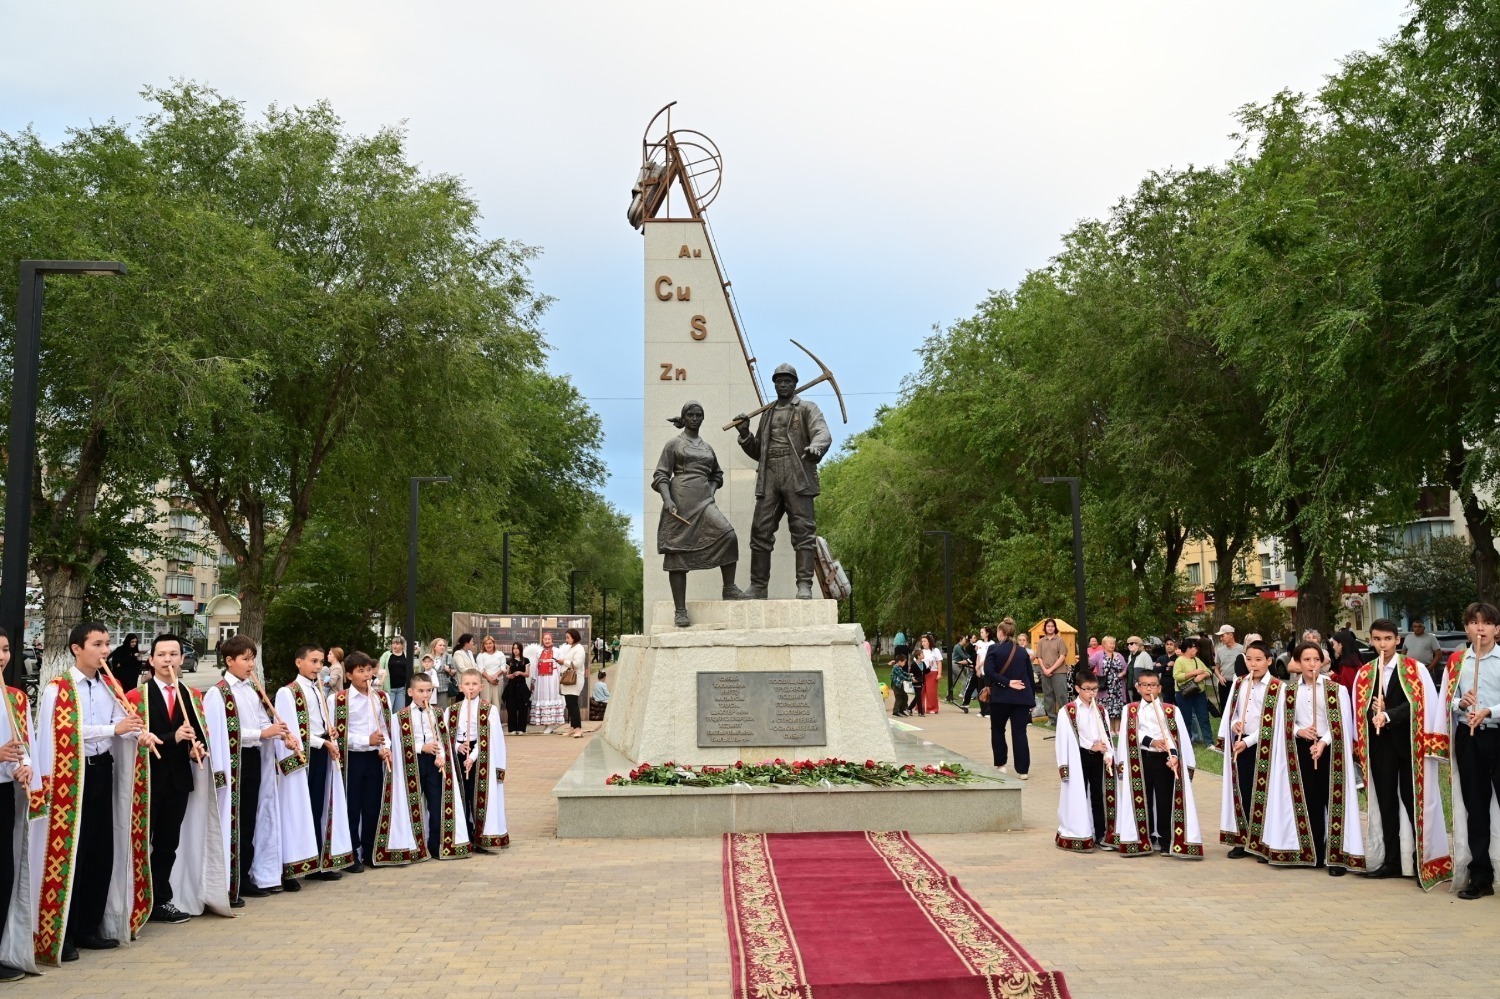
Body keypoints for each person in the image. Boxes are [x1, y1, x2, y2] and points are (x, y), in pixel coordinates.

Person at [30, 622, 156, 964]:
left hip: (103, 771)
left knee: (102, 849)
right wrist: (112, 728)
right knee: (76, 854)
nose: (105, 650)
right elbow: (63, 732)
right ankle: (64, 933)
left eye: (107, 644)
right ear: (76, 649)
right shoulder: (59, 688)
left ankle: (89, 926)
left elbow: (122, 725)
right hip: (72, 778)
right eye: (98, 644)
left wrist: (137, 734)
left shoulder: (110, 686)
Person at [1356, 618, 1450, 889]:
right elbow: (1358, 710)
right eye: (1377, 639)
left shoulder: (1414, 669)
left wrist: (1387, 713)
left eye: (1387, 639)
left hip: (1410, 744)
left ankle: (1422, 861)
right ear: (1372, 641)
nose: (1382, 644)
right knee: (1386, 802)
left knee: (1414, 801)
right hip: (1380, 746)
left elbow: (1419, 705)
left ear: (1398, 640)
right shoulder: (1366, 673)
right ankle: (1392, 861)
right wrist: (1371, 712)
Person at [125, 634, 212, 924]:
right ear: (150, 660)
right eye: (161, 655)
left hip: (178, 782)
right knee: (140, 842)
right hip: (147, 780)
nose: (167, 660)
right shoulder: (137, 697)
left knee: (167, 844)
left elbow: (199, 736)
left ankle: (161, 899)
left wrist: (194, 750)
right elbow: (133, 742)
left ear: (182, 659)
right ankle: (136, 898)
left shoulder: (192, 696)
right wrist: (171, 738)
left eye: (173, 654)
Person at [731, 363, 833, 599]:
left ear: (795, 384)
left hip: (797, 472)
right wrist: (745, 435)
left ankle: (804, 585)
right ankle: (758, 586)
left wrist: (816, 447)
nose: (783, 384)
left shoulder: (807, 408)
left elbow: (822, 432)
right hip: (770, 474)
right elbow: (759, 452)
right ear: (774, 384)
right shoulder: (767, 414)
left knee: (803, 531)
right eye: (779, 381)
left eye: (787, 380)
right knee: (760, 531)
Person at [202, 635, 288, 907]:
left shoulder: (251, 689)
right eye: (245, 659)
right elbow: (223, 732)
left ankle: (247, 875)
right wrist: (263, 732)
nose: (251, 664)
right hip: (233, 763)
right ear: (230, 661)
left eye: (253, 659)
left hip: (252, 758)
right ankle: (229, 882)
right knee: (234, 820)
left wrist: (277, 731)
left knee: (249, 818)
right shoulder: (219, 692)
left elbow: (263, 721)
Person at [1268, 642, 1366, 874]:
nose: (1312, 664)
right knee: (1309, 800)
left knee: (1332, 801)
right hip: (1302, 749)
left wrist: (1323, 742)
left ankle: (1336, 856)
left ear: (1322, 662)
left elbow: (1343, 723)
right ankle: (1313, 853)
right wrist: (1300, 731)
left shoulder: (1335, 689)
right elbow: (1283, 723)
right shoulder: (1289, 692)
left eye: (1316, 660)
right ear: (1297, 663)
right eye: (1306, 660)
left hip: (1331, 750)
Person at [654, 400, 749, 625]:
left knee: (728, 535)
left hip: (704, 502)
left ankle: (729, 588)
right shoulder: (673, 444)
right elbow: (660, 475)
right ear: (684, 418)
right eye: (691, 415)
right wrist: (667, 500)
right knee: (677, 553)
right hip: (680, 502)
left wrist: (711, 492)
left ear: (702, 418)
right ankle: (680, 610)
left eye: (699, 415)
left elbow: (717, 474)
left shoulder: (707, 448)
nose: (695, 418)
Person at [275, 645, 353, 884]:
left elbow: (316, 721)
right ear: (299, 662)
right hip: (302, 756)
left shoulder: (318, 689)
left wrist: (329, 733)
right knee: (298, 808)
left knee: (318, 806)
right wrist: (322, 741)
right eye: (313, 661)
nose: (318, 666)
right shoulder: (288, 692)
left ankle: (318, 861)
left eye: (321, 662)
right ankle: (292, 866)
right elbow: (292, 729)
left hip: (320, 752)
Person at [1113, 670, 1202, 858]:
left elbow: (1176, 736)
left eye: (1153, 685)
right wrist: (1150, 741)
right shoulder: (1130, 709)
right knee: (1142, 799)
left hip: (1164, 760)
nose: (1148, 688)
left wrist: (1174, 756)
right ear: (1137, 687)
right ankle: (1144, 838)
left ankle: (1165, 839)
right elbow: (1130, 733)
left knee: (1164, 799)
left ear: (1159, 688)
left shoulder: (1170, 710)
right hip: (1141, 758)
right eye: (1144, 685)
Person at [1446, 601, 1500, 900]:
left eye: (1486, 622)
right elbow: (1448, 701)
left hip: (1497, 732)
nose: (1480, 628)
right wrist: (1461, 705)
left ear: (1496, 628)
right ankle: (1481, 876)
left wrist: (1489, 711)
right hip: (1469, 737)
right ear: (1466, 628)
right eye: (1474, 622)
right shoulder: (1457, 662)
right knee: (1476, 808)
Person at [326, 652, 393, 871]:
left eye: (368, 670)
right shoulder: (338, 699)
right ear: (348, 675)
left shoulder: (380, 697)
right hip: (352, 759)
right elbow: (337, 735)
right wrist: (367, 739)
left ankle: (371, 851)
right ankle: (351, 852)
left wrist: (386, 747)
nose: (366, 675)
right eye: (360, 671)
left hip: (375, 758)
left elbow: (385, 728)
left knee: (373, 806)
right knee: (352, 806)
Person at [392, 675, 469, 861]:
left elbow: (443, 739)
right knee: (413, 804)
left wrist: (441, 755)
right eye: (420, 691)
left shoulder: (437, 713)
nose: (425, 695)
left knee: (436, 805)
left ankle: (435, 844)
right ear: (410, 692)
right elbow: (399, 744)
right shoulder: (399, 717)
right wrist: (421, 748)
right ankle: (414, 845)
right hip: (413, 762)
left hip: (434, 764)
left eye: (429, 691)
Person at [1218, 640, 1281, 860]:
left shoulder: (1277, 687)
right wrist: (1235, 723)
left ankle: (1263, 842)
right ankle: (1243, 840)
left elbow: (1273, 722)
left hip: (1265, 746)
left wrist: (1249, 740)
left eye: (1258, 659)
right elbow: (1232, 712)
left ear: (1269, 661)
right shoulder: (1239, 683)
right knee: (1242, 790)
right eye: (1249, 659)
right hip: (1240, 743)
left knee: (1263, 794)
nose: (1253, 664)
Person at [0, 628, 35, 980]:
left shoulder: (14, 697)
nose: (2, 657)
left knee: (4, 874)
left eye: (7, 649)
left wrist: (24, 766)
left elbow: (25, 743)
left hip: (4, 793)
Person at [447, 669, 510, 851]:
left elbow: (490, 739)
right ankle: (463, 835)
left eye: (474, 684)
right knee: (461, 795)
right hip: (459, 754)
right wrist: (458, 746)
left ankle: (481, 837)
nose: (471, 688)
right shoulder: (452, 710)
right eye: (467, 684)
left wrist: (473, 756)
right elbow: (447, 736)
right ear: (460, 686)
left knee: (479, 796)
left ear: (481, 687)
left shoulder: (489, 710)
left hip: (482, 757)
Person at [1054, 668, 1115, 852]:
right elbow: (1067, 737)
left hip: (1098, 757)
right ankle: (1079, 832)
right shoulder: (1068, 711)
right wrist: (1091, 746)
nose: (1091, 693)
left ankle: (1101, 834)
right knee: (1079, 794)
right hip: (1079, 756)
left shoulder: (1101, 710)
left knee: (1098, 795)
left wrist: (1109, 753)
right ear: (1077, 688)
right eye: (1087, 689)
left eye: (1094, 689)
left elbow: (1106, 734)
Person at [985, 619, 1034, 778]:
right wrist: (1031, 699)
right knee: (1020, 732)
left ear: (1001, 632)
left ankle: (1001, 764)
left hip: (1000, 697)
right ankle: (1023, 770)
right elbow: (1029, 677)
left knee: (998, 730)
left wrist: (1006, 682)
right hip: (1021, 698)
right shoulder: (1022, 652)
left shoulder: (993, 649)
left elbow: (989, 672)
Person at [1172, 641, 1214, 746]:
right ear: (1188, 648)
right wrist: (1194, 673)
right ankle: (1187, 742)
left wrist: (1203, 675)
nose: (1196, 650)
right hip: (1184, 693)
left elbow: (1209, 671)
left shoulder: (1197, 660)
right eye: (1194, 647)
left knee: (1204, 717)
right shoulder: (1179, 660)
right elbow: (1177, 676)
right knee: (1186, 718)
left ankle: (1209, 742)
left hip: (1199, 692)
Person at [529, 632, 566, 734]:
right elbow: (536, 666)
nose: (547, 641)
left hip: (552, 678)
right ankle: (546, 724)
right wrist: (534, 679)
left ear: (552, 640)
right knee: (544, 698)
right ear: (542, 640)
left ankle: (551, 724)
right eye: (545, 639)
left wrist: (560, 678)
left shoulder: (557, 652)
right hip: (541, 679)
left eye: (549, 639)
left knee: (551, 697)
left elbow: (560, 666)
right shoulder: (539, 652)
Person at [558, 628, 589, 738]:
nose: (566, 639)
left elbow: (577, 664)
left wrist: (563, 662)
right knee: (569, 704)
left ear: (574, 637)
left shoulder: (579, 649)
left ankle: (578, 728)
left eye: (568, 637)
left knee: (573, 704)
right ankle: (573, 727)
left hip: (574, 680)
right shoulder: (570, 648)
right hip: (568, 680)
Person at [962, 626, 996, 716]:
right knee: (980, 690)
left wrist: (980, 664)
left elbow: (989, 657)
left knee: (987, 690)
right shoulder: (979, 643)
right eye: (980, 632)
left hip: (987, 669)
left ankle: (989, 711)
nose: (981, 634)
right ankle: (982, 710)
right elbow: (978, 656)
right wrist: (977, 667)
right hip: (979, 669)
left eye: (982, 632)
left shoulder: (992, 644)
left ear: (987, 633)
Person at [1096, 636, 1127, 732]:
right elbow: (1090, 664)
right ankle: (1108, 730)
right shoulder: (1098, 655)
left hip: (1117, 687)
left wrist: (1122, 673)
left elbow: (1125, 667)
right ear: (1104, 644)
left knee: (1117, 710)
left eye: (1113, 643)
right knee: (1106, 709)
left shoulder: (1119, 655)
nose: (1112, 645)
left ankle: (1117, 730)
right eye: (1110, 643)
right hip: (1105, 687)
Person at [1213, 624, 1244, 716]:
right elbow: (1216, 668)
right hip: (1224, 684)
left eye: (1222, 636)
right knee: (1224, 709)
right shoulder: (1219, 650)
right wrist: (1219, 676)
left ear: (1230, 635)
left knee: (1237, 708)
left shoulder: (1242, 649)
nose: (1221, 639)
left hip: (1237, 684)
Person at [501, 641, 531, 735]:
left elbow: (527, 674)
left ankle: (522, 728)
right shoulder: (509, 661)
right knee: (511, 707)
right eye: (514, 648)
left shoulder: (526, 660)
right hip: (512, 686)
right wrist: (509, 676)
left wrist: (520, 673)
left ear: (521, 649)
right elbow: (507, 674)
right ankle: (512, 728)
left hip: (522, 686)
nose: (515, 650)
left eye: (517, 648)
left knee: (522, 708)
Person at [1403, 619, 1444, 685]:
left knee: (1428, 691)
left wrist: (1430, 667)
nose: (1417, 628)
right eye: (1415, 626)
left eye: (1419, 626)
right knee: (1412, 692)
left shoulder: (1431, 638)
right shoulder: (1408, 637)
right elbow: (1403, 652)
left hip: (1426, 668)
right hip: (1410, 669)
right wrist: (1403, 666)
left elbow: (1438, 654)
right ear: (1412, 628)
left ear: (1423, 628)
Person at [381, 636, 411, 711]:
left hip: (401, 689)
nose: (394, 645)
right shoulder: (386, 655)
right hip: (389, 689)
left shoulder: (406, 656)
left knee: (399, 713)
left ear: (402, 645)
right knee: (388, 712)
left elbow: (410, 670)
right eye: (393, 643)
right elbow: (380, 670)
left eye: (397, 643)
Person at [917, 634, 942, 715]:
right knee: (920, 691)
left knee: (931, 692)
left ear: (929, 642)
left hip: (932, 672)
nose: (923, 643)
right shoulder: (920, 651)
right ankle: (919, 707)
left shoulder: (935, 651)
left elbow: (939, 662)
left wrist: (939, 673)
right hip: (922, 673)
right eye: (922, 642)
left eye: (925, 641)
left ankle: (932, 708)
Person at [1126, 637, 1154, 702]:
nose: (1129, 645)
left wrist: (1142, 683)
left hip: (1142, 686)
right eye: (1128, 644)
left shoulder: (1145, 655)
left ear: (1138, 645)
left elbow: (1150, 672)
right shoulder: (1130, 656)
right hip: (1131, 686)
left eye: (1131, 643)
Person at [429, 637, 455, 708]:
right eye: (440, 645)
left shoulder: (448, 657)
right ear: (434, 647)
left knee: (442, 709)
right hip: (430, 688)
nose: (442, 647)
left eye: (444, 645)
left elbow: (454, 672)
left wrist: (449, 670)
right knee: (431, 709)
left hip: (443, 688)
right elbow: (423, 671)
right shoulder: (429, 657)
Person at [947, 637, 973, 705]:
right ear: (960, 640)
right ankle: (966, 695)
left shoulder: (961, 647)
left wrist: (972, 658)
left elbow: (966, 654)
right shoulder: (957, 647)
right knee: (963, 679)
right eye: (964, 639)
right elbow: (964, 656)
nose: (966, 640)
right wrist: (971, 660)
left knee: (953, 680)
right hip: (955, 664)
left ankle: (949, 696)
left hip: (956, 664)